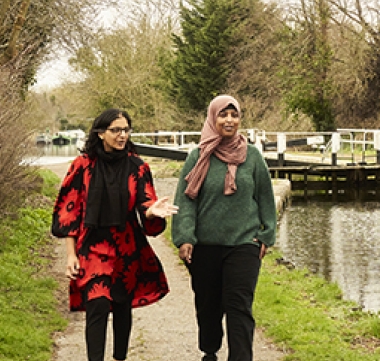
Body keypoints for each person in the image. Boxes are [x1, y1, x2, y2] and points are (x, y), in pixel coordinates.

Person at [51, 108, 178, 361]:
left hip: (126, 245)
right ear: (100, 133)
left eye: (126, 130)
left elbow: (145, 201)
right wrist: (70, 255)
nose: (122, 135)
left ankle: (120, 357)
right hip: (92, 245)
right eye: (115, 130)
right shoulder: (83, 166)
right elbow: (69, 211)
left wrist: (151, 212)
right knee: (96, 304)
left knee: (121, 304)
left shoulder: (138, 167)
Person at [171, 95, 277, 361]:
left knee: (239, 306)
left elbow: (265, 197)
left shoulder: (252, 157)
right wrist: (185, 237)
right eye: (223, 115)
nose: (229, 120)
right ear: (212, 118)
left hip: (244, 244)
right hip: (205, 246)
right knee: (208, 307)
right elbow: (185, 200)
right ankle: (210, 350)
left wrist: (266, 234)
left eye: (234, 115)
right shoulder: (198, 156)